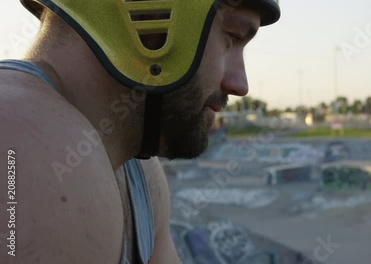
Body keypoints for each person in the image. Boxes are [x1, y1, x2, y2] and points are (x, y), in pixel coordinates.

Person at [0, 0, 280, 263]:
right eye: (231, 37)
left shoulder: (140, 170)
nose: (240, 84)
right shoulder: (28, 147)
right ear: (146, 13)